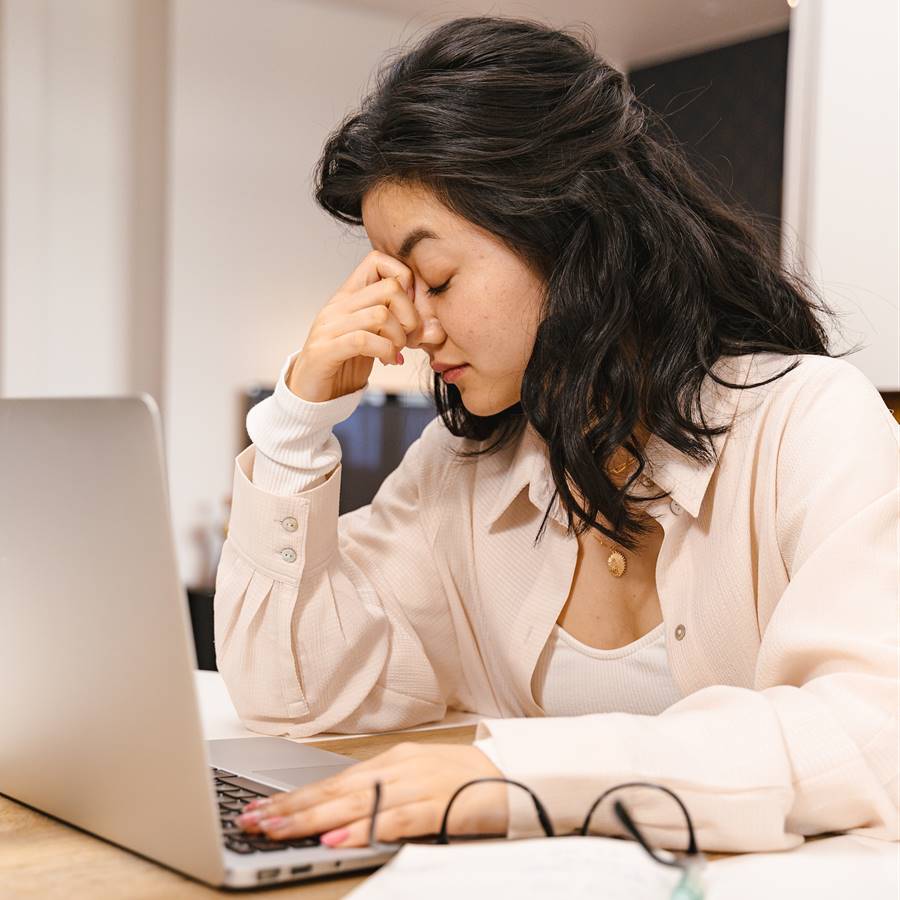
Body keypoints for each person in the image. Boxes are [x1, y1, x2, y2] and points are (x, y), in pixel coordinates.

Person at [214, 16, 899, 854]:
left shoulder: (811, 423)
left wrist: (516, 777)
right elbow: (293, 695)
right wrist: (295, 423)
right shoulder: (458, 474)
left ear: (572, 232)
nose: (409, 328)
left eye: (434, 277)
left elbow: (871, 739)